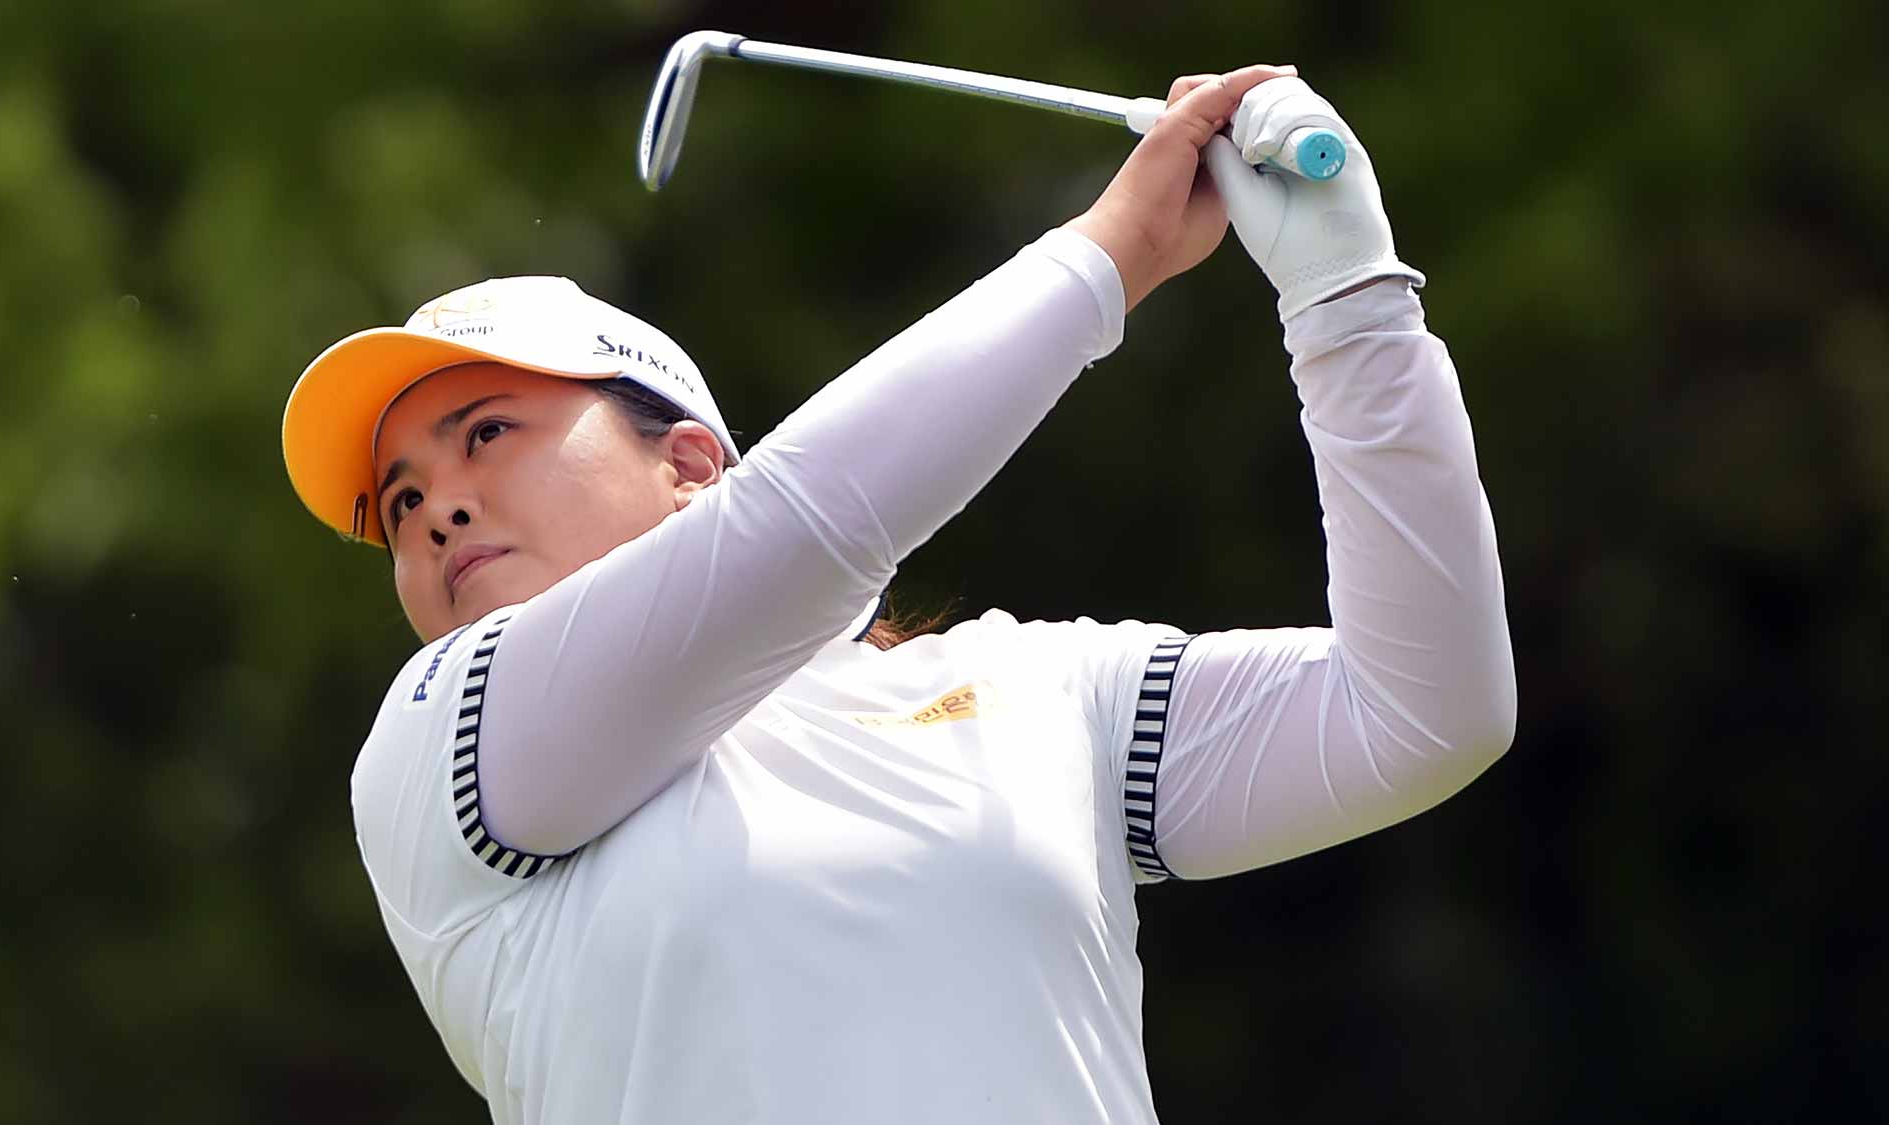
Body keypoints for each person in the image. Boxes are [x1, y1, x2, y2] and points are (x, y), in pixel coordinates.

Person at [280, 64, 1515, 1125]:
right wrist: (1114, 252)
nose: (435, 508)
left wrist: (1349, 304)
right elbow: (805, 534)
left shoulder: (1035, 696)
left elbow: (1420, 714)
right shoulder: (441, 746)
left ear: (690, 465)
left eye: (486, 433)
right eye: (397, 502)